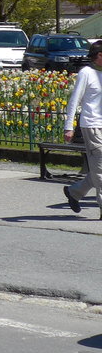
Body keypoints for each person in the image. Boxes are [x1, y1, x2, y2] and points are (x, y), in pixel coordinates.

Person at [61, 40, 102, 219]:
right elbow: (74, 100)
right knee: (100, 169)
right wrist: (68, 127)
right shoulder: (86, 72)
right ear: (97, 56)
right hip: (92, 125)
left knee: (97, 168)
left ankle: (75, 192)